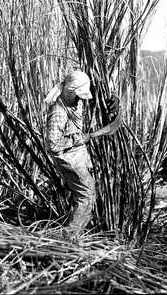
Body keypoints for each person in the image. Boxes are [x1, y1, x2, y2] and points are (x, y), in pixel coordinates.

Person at [45, 70, 120, 239]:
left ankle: (71, 233)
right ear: (70, 91)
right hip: (67, 157)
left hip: (76, 153)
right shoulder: (58, 112)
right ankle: (68, 238)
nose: (81, 99)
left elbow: (98, 88)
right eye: (78, 95)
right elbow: (52, 145)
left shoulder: (73, 98)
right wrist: (80, 138)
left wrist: (114, 97)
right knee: (86, 195)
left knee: (84, 194)